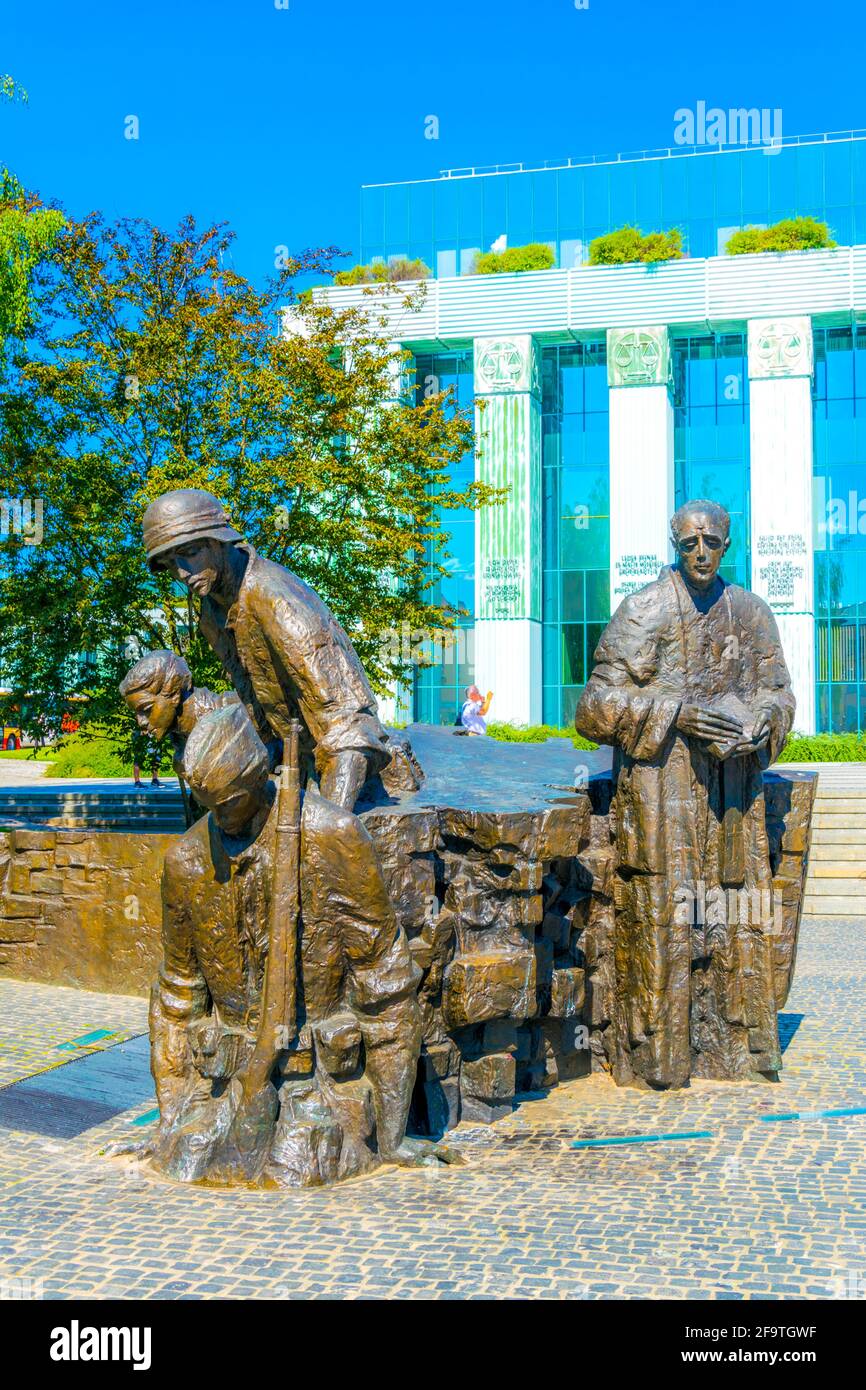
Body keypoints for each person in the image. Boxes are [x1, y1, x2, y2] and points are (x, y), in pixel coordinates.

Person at [146, 704, 429, 1183]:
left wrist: (394, 1135)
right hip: (219, 1087)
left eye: (229, 803)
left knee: (297, 1167)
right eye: (208, 804)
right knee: (186, 1159)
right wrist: (169, 1116)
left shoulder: (334, 837)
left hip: (320, 1088)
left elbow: (386, 988)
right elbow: (177, 998)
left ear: (259, 780)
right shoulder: (187, 860)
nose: (219, 818)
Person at [574, 499, 795, 1089]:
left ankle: (736, 1050)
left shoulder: (751, 613)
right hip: (663, 794)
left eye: (713, 543)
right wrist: (675, 713)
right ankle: (661, 1061)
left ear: (728, 545)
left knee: (735, 919)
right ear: (675, 544)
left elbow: (780, 692)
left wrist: (759, 723)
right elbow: (592, 709)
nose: (701, 553)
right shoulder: (644, 608)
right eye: (690, 543)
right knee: (666, 925)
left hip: (732, 800)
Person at [141, 489, 393, 810]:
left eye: (189, 553)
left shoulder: (274, 599)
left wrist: (328, 827)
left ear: (219, 540)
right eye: (169, 563)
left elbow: (351, 729)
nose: (181, 573)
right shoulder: (212, 613)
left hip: (354, 783)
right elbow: (258, 715)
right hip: (297, 773)